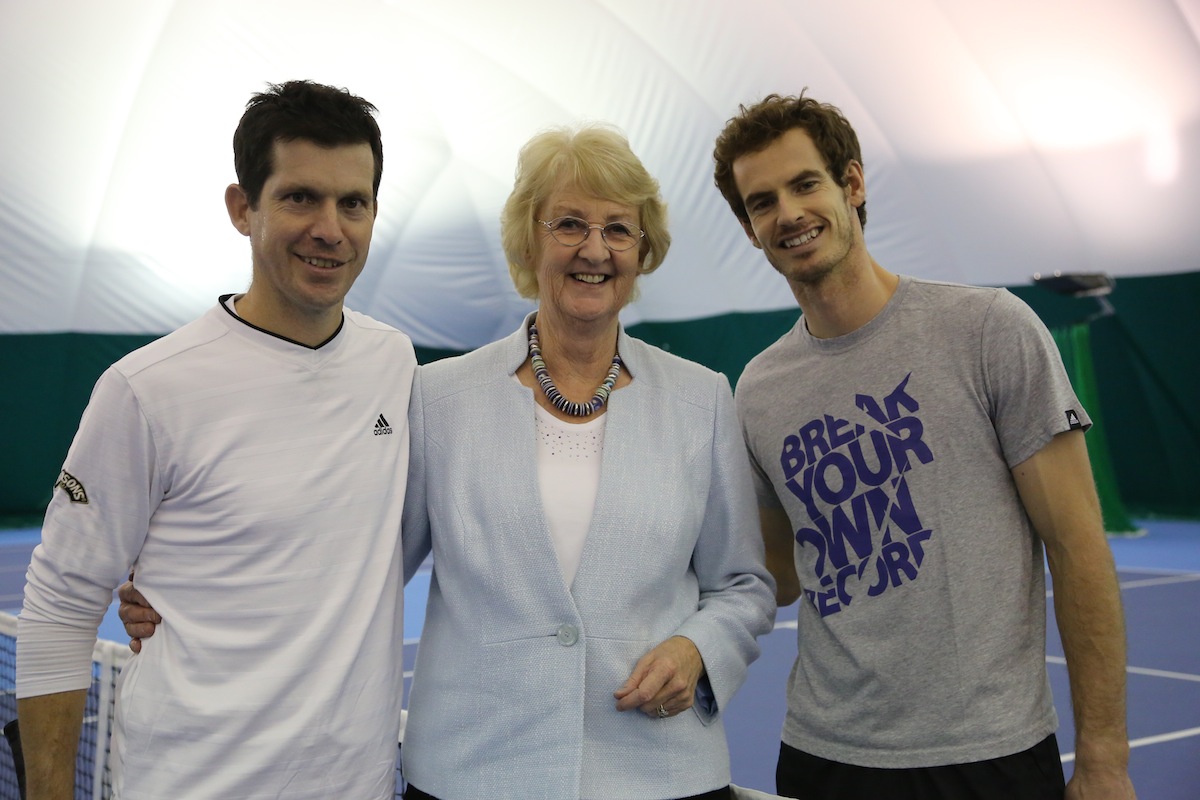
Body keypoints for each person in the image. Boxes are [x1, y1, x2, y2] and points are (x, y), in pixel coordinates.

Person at [711, 93, 1136, 799]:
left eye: (805, 183)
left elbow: (1078, 547)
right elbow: (778, 576)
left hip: (988, 755)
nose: (786, 213)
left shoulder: (989, 329)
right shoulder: (757, 390)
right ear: (751, 230)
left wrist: (1104, 758)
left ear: (852, 184)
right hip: (825, 756)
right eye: (761, 203)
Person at [17, 80, 415, 800]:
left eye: (352, 202)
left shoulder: (394, 362)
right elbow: (59, 610)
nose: (331, 228)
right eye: (300, 197)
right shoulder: (145, 389)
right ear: (243, 208)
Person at [393, 123, 775, 800]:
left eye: (618, 230)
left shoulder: (703, 400)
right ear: (530, 240)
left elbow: (742, 584)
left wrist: (698, 651)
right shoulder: (438, 398)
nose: (594, 249)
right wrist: (198, 591)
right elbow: (368, 569)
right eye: (569, 223)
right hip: (474, 770)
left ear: (641, 250)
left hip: (660, 775)